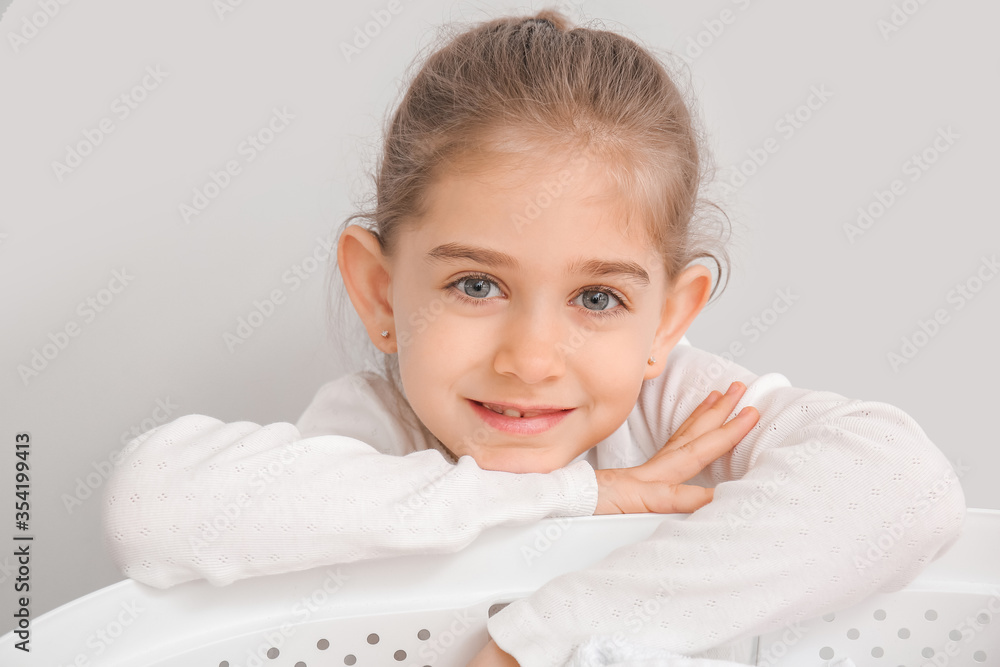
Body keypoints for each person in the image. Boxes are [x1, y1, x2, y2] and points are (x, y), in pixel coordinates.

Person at [101, 9, 966, 667]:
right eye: (476, 284)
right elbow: (153, 504)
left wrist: (538, 644)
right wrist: (585, 496)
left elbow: (903, 489)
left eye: (596, 297)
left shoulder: (679, 410)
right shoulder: (376, 429)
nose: (531, 359)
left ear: (668, 318)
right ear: (378, 290)